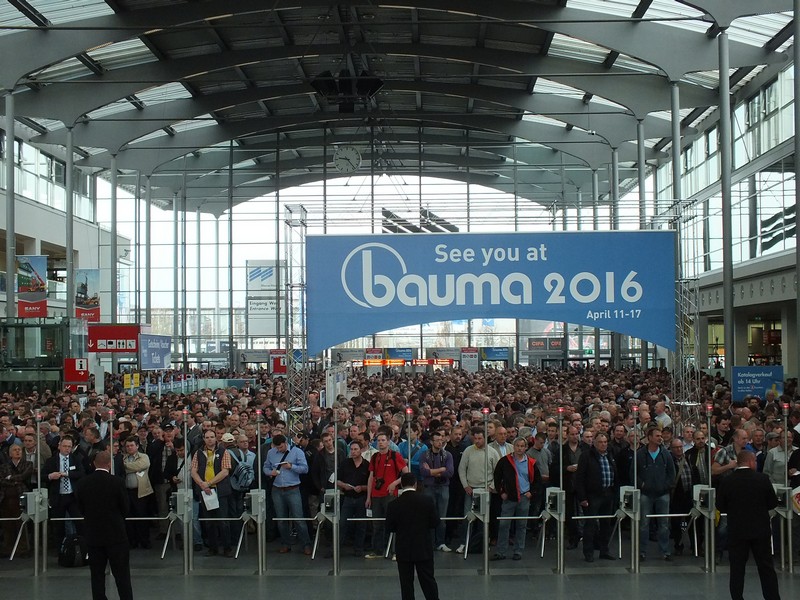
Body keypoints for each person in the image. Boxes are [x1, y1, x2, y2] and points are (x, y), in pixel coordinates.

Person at [716, 450, 780, 600]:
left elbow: (720, 505)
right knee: (766, 567)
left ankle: (737, 597)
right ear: (751, 462)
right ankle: (772, 597)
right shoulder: (762, 479)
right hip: (760, 530)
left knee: (737, 568)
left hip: (737, 531)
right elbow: (772, 503)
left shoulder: (728, 480)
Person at [75, 451, 133, 600]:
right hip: (116, 534)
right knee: (122, 575)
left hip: (93, 535)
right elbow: (125, 507)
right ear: (109, 464)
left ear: (94, 464)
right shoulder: (117, 482)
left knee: (96, 575)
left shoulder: (83, 483)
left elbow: (80, 507)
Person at [385, 473, 440, 600]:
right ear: (415, 484)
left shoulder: (393, 504)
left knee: (406, 584)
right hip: (423, 547)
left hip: (404, 549)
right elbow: (435, 523)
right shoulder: (427, 500)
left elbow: (389, 528)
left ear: (401, 485)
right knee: (428, 581)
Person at [264, 433, 313, 555]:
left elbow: (305, 469)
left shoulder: (297, 452)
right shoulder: (271, 453)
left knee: (298, 518)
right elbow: (265, 467)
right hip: (277, 489)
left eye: (281, 447)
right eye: (277, 447)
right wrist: (270, 472)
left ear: (286, 443)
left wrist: (291, 466)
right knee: (281, 519)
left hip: (293, 488)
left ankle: (306, 544)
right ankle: (285, 543)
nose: (279, 449)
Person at [492, 436, 539, 561]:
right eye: (517, 446)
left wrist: (531, 492)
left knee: (521, 525)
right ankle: (501, 551)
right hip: (509, 498)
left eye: (522, 446)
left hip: (524, 497)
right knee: (504, 525)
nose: (519, 448)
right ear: (513, 446)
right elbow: (497, 477)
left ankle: (518, 551)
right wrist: (501, 492)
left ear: (526, 447)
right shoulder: (505, 461)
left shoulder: (531, 462)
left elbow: (537, 480)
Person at [574, 432, 618, 562]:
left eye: (605, 442)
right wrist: (582, 497)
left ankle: (604, 550)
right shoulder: (586, 456)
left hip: (608, 493)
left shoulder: (610, 455)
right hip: (592, 495)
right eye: (600, 442)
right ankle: (588, 552)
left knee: (606, 524)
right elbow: (580, 477)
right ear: (594, 443)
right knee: (590, 525)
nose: (603, 444)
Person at [634, 425, 675, 561]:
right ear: (649, 438)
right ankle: (642, 551)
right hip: (646, 494)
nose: (660, 438)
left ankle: (665, 551)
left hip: (662, 494)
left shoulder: (665, 454)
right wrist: (642, 485)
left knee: (664, 525)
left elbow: (671, 473)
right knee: (643, 524)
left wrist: (666, 486)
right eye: (657, 436)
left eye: (661, 436)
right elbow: (634, 473)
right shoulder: (640, 454)